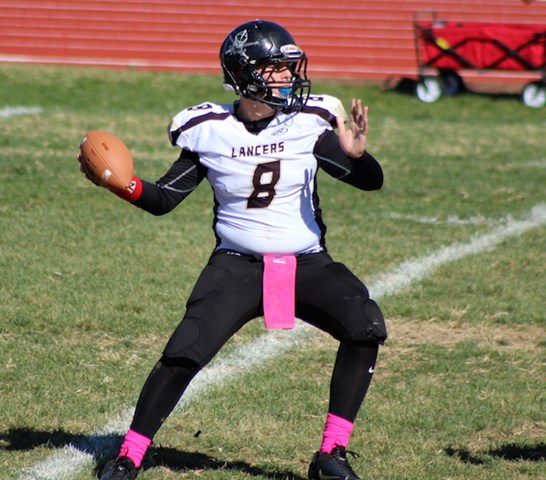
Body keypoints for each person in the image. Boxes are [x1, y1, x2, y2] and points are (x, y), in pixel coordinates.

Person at [81, 19, 387, 480]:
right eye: (275, 68)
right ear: (245, 74)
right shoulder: (209, 128)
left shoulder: (310, 122)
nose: (288, 76)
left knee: (365, 325)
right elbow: (165, 198)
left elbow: (370, 183)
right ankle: (129, 455)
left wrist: (358, 157)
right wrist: (125, 186)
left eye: (288, 67)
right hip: (237, 265)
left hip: (308, 262)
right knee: (184, 351)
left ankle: (331, 455)